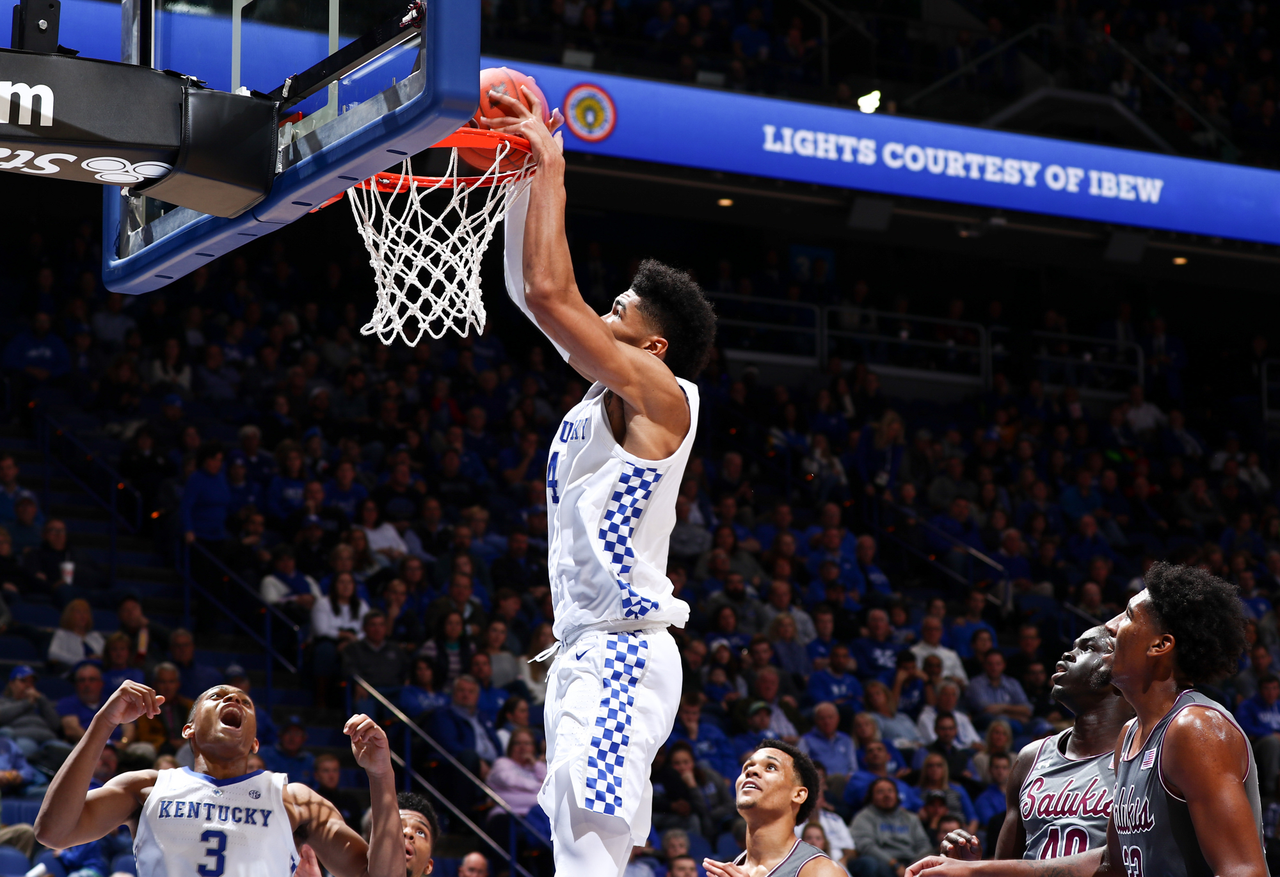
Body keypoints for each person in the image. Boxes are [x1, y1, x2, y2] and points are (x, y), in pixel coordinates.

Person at [490, 81, 716, 877]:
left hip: (624, 651)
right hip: (585, 647)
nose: (606, 311)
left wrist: (550, 164)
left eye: (620, 309)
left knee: (587, 852)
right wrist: (518, 177)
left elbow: (553, 295)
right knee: (575, 851)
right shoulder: (601, 395)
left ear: (654, 348)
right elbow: (529, 294)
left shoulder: (665, 396)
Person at [909, 562, 1266, 877]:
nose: (1110, 625)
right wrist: (973, 871)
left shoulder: (1194, 728)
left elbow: (1243, 870)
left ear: (1159, 646)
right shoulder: (1130, 736)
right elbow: (1110, 864)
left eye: (1128, 615)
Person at [34, 679, 405, 877]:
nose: (234, 701)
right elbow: (53, 831)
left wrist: (381, 774)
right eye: (218, 697)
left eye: (245, 702)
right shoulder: (146, 787)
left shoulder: (295, 800)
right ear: (189, 730)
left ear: (255, 741)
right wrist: (104, 723)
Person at [941, 626, 1134, 863]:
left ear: (1121, 674)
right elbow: (1006, 867)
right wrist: (971, 868)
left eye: (1088, 648)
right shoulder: (1031, 757)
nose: (1068, 654)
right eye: (1073, 646)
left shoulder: (1142, 756)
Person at [699, 739, 844, 877]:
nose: (751, 771)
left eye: (771, 767)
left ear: (798, 794)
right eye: (747, 767)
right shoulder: (729, 871)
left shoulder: (821, 870)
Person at [850, 778, 934, 877]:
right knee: (871, 863)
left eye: (890, 791)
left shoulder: (911, 818)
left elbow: (923, 844)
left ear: (897, 795)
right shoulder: (863, 817)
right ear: (871, 796)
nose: (887, 795)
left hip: (911, 861)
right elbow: (867, 846)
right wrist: (894, 864)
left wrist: (914, 866)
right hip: (884, 862)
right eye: (880, 792)